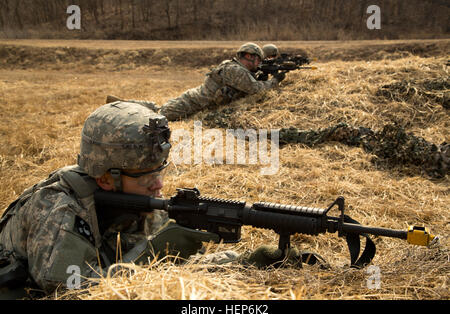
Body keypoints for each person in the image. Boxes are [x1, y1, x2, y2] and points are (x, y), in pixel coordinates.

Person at [0, 101, 314, 299]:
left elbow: (172, 268)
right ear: (107, 178)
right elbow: (76, 293)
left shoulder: (135, 198)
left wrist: (249, 262)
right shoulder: (57, 210)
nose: (160, 185)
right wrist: (147, 254)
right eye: (147, 177)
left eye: (160, 171)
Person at [106, 43, 286, 121]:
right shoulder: (236, 71)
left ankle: (121, 103)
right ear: (249, 57)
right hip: (192, 103)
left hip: (197, 102)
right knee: (158, 115)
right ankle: (122, 106)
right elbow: (256, 89)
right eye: (257, 60)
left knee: (158, 108)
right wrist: (275, 80)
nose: (259, 64)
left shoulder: (235, 67)